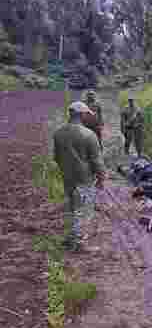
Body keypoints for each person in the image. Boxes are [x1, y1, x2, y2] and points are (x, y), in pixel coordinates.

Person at [54, 101, 107, 252]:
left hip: (68, 177)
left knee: (72, 208)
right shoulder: (88, 135)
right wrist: (101, 178)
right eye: (86, 114)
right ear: (82, 115)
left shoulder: (58, 133)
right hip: (84, 179)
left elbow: (57, 158)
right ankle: (79, 244)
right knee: (84, 211)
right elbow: (97, 161)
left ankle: (71, 237)